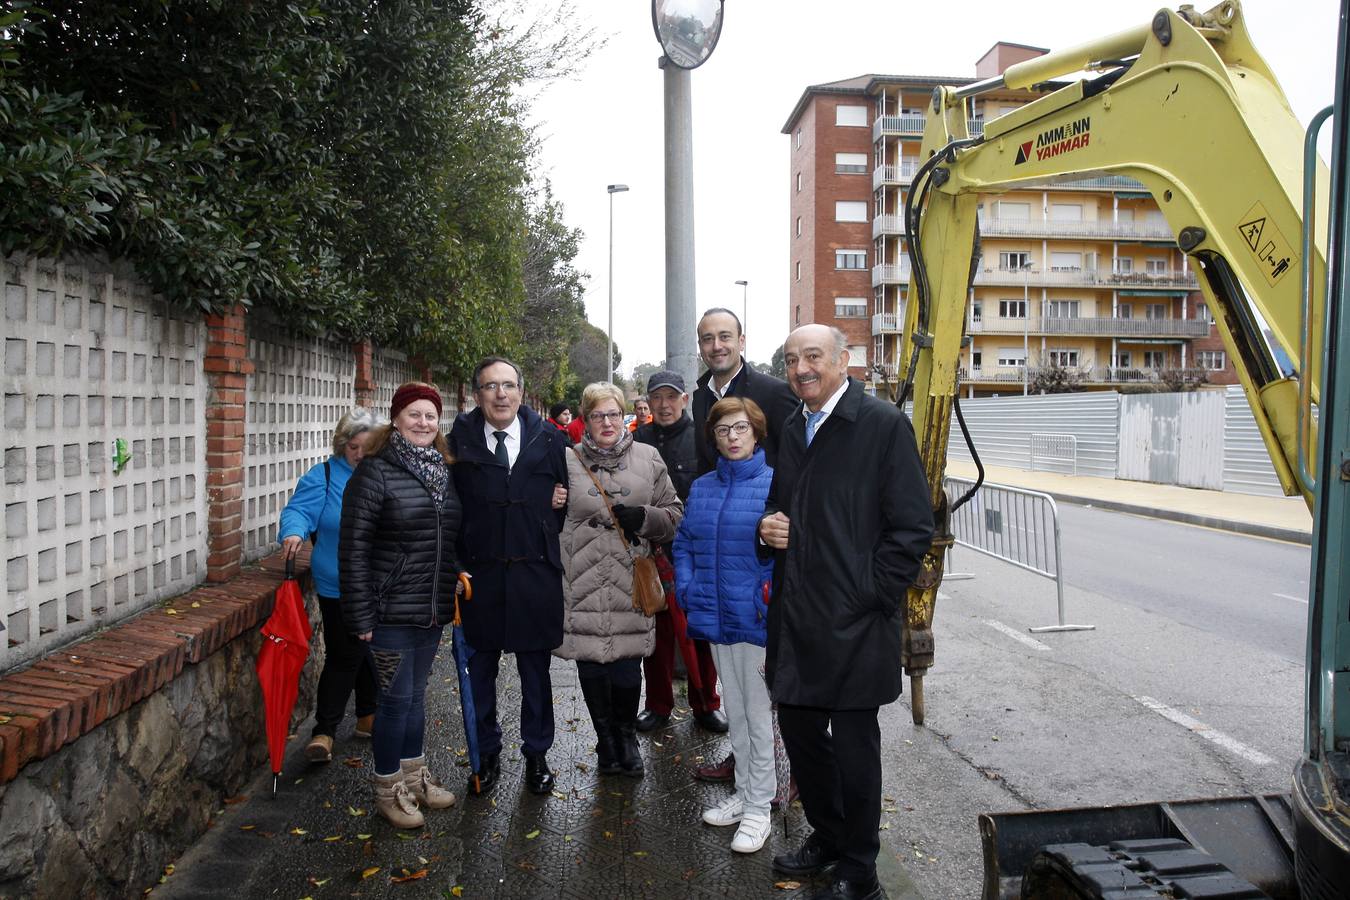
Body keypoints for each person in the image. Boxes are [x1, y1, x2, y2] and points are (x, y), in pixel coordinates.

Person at [758, 325, 933, 900]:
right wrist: (770, 526)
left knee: (856, 747)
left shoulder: (881, 425)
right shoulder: (792, 425)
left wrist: (869, 596)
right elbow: (783, 506)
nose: (801, 368)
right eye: (791, 360)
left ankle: (860, 867)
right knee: (802, 730)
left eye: (813, 356)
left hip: (857, 621)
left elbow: (912, 529)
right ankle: (828, 837)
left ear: (843, 360)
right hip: (800, 614)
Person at [340, 382, 466, 829]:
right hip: (387, 610)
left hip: (429, 609)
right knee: (393, 703)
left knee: (414, 699)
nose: (423, 423)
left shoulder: (444, 471)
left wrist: (456, 574)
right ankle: (387, 787)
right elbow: (353, 548)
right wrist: (360, 616)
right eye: (414, 414)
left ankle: (414, 777)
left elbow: (447, 538)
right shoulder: (374, 473)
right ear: (395, 419)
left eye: (430, 416)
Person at [450, 358, 570, 796]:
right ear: (477, 395)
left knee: (535, 676)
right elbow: (451, 509)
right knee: (479, 674)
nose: (500, 395)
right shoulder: (457, 443)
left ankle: (537, 755)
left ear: (521, 391)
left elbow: (564, 501)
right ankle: (486, 755)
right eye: (490, 387)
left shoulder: (551, 439)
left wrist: (546, 516)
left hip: (534, 579)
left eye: (508, 386)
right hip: (479, 581)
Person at [690, 307, 797, 784]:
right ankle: (746, 771)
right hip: (720, 553)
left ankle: (783, 778)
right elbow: (704, 466)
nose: (717, 346)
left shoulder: (774, 392)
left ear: (742, 340)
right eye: (708, 338)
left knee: (764, 694)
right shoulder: (700, 398)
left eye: (725, 337)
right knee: (736, 694)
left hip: (762, 552)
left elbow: (794, 461)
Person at [557, 382, 683, 778]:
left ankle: (626, 738)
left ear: (624, 416)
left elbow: (675, 514)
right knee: (592, 668)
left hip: (631, 580)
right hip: (582, 579)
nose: (607, 422)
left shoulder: (648, 456)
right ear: (586, 420)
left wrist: (646, 518)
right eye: (598, 415)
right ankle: (605, 741)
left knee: (627, 671)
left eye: (613, 414)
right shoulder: (565, 460)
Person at [674, 396, 777, 854]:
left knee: (758, 717)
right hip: (715, 617)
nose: (732, 437)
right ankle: (744, 792)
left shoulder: (776, 484)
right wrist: (688, 589)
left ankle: (760, 807)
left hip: (755, 621)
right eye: (722, 431)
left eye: (740, 428)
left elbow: (785, 552)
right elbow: (685, 543)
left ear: (756, 432)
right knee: (735, 712)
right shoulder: (703, 487)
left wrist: (766, 597)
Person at [279, 408, 382, 763]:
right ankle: (324, 730)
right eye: (354, 447)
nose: (360, 454)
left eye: (368, 447)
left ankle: (368, 715)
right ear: (343, 445)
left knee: (360, 647)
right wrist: (293, 532)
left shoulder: (384, 474)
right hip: (337, 581)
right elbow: (299, 511)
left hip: (376, 581)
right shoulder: (323, 475)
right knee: (346, 652)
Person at [632, 371, 727, 735]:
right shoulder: (637, 441)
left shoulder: (703, 439)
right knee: (656, 637)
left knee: (702, 634)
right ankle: (657, 705)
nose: (664, 404)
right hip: (650, 554)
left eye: (671, 397)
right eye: (657, 397)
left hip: (698, 554)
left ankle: (707, 705)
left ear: (684, 399)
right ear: (649, 402)